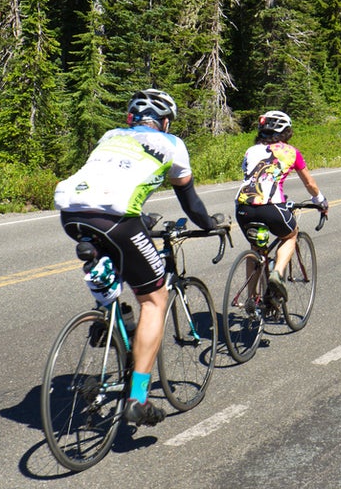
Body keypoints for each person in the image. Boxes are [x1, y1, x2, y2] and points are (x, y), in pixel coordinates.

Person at [54, 88, 223, 427]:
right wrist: (211, 225)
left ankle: (114, 315)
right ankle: (137, 399)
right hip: (116, 220)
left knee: (114, 259)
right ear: (164, 122)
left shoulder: (110, 136)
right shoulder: (172, 145)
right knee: (155, 300)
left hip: (72, 214)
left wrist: (142, 220)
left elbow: (111, 179)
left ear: (131, 119)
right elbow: (189, 201)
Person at [234, 110, 329, 303]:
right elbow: (310, 184)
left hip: (243, 207)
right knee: (290, 235)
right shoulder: (291, 152)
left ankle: (252, 300)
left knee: (256, 248)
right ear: (286, 132)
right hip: (271, 205)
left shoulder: (250, 151)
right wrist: (320, 201)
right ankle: (277, 273)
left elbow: (252, 176)